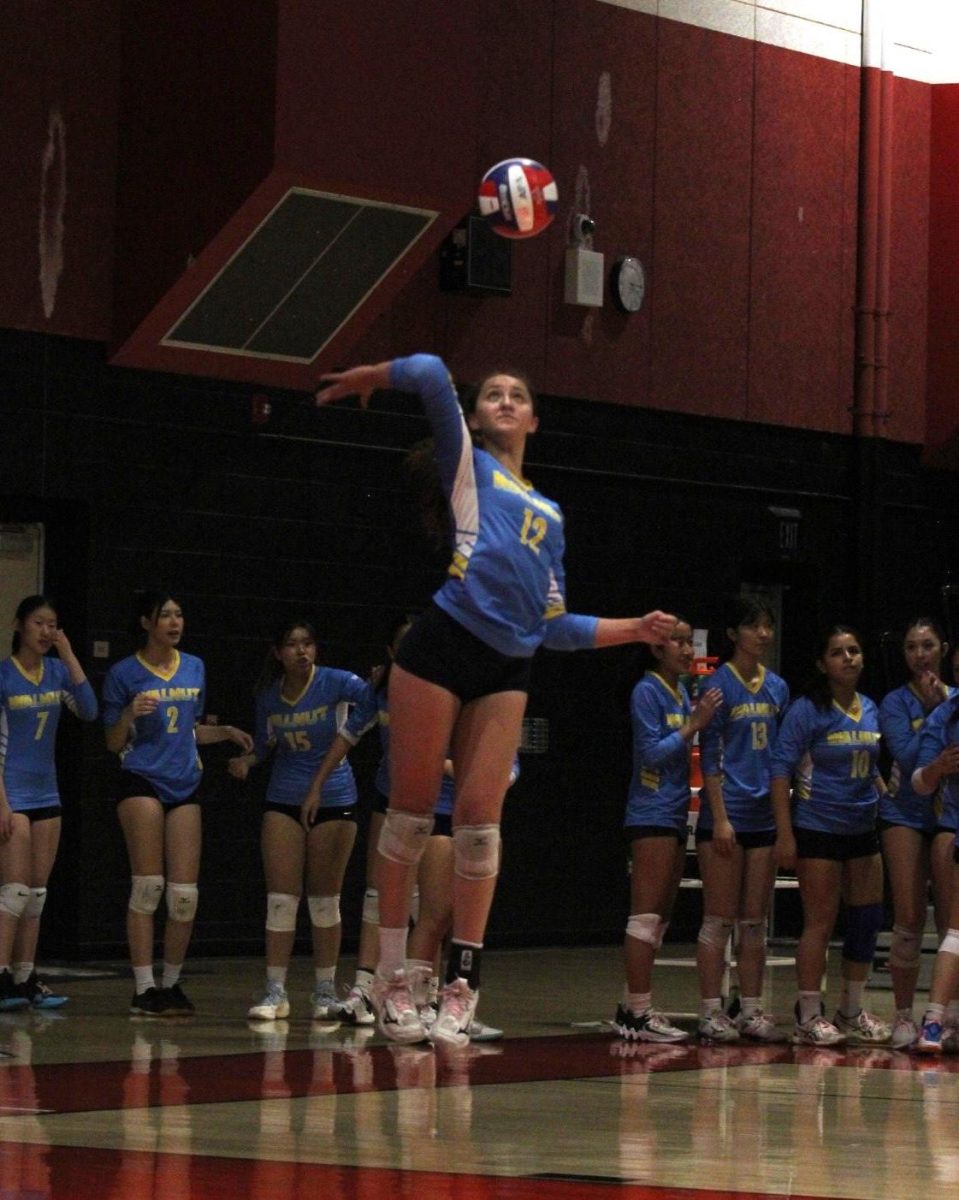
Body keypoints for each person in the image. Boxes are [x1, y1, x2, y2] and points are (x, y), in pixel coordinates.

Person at [315, 354, 675, 1047]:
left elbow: (553, 628)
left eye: (518, 395)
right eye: (493, 395)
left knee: (480, 827)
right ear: (477, 416)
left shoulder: (552, 513)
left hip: (508, 664)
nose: (505, 401)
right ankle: (391, 981)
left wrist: (634, 628)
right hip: (442, 645)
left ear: (534, 419)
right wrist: (373, 378)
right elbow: (426, 372)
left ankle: (460, 987)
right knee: (411, 818)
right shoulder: (468, 468)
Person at [303, 615, 513, 1041]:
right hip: (417, 808)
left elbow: (506, 770)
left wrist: (470, 769)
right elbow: (377, 744)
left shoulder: (484, 698)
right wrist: (316, 786)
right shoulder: (395, 693)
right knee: (420, 909)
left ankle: (452, 1004)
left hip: (471, 820)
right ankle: (395, 996)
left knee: (455, 919)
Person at [103, 591, 252, 1016]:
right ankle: (143, 987)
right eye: (164, 615)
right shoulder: (124, 673)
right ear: (146, 622)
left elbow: (187, 729)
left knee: (185, 895)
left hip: (185, 781)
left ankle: (171, 983)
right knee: (148, 887)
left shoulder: (195, 666)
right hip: (141, 779)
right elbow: (113, 743)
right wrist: (129, 714)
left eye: (179, 614)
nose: (174, 622)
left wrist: (223, 732)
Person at [228, 619, 372, 1022]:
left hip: (334, 799)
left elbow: (375, 704)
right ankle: (275, 991)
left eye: (308, 643)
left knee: (324, 902)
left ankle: (325, 991)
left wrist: (380, 683)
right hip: (283, 798)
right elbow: (265, 744)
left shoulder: (340, 683)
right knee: (281, 900)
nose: (302, 651)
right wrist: (246, 760)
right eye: (292, 645)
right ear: (278, 653)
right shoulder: (270, 696)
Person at [771, 624, 891, 1047]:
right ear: (823, 663)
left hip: (862, 828)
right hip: (818, 826)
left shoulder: (871, 707)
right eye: (838, 652)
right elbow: (781, 770)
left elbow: (870, 764)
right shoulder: (807, 710)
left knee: (867, 920)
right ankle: (807, 1014)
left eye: (855, 651)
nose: (849, 658)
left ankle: (851, 1009)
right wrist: (785, 835)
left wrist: (885, 796)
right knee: (819, 923)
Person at [613, 618, 722, 1042]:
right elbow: (651, 755)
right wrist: (693, 725)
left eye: (688, 641)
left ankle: (630, 1005)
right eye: (676, 642)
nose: (686, 649)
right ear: (656, 649)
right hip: (650, 812)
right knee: (644, 917)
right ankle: (638, 1013)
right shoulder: (646, 690)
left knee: (659, 918)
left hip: (674, 813)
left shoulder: (678, 690)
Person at [694, 595, 789, 1043]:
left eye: (768, 626)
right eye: (754, 627)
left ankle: (751, 1009)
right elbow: (709, 756)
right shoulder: (717, 686)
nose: (764, 635)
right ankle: (711, 1010)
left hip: (764, 817)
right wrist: (721, 818)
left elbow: (780, 755)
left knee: (755, 921)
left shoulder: (778, 688)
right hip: (726, 816)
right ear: (734, 634)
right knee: (719, 918)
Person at [0, 595, 98, 1009]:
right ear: (20, 625)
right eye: (39, 623)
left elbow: (90, 711)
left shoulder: (57, 672)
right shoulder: (4, 674)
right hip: (12, 795)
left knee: (37, 894)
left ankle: (26, 977)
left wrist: (70, 653)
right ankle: (1, 975)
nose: (45, 631)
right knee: (15, 891)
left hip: (47, 794)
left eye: (52, 624)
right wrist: (2, 803)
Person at [878, 617, 954, 1049]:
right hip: (904, 814)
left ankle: (947, 1016)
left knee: (950, 923)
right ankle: (904, 1016)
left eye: (927, 645)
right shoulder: (894, 703)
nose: (919, 654)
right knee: (907, 918)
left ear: (942, 648)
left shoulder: (956, 697)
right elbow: (907, 761)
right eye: (911, 647)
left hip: (948, 819)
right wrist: (932, 713)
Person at [911, 675, 959, 1052]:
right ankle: (935, 1020)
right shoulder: (946, 716)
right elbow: (918, 781)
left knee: (957, 934)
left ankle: (933, 1022)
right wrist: (939, 768)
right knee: (955, 933)